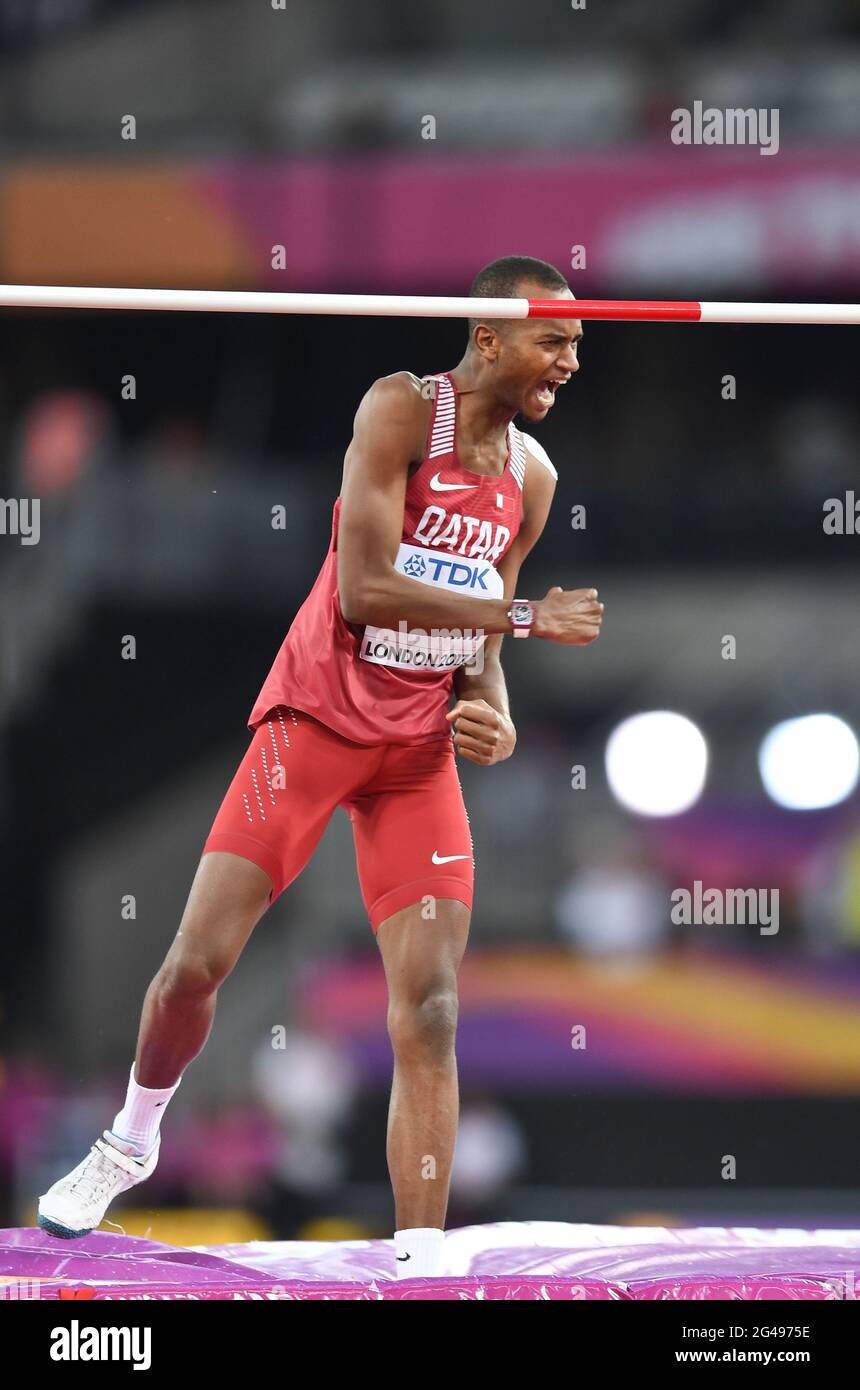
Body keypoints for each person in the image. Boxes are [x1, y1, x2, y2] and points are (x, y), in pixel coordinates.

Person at [37, 254, 603, 1277]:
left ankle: (420, 1259)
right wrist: (518, 611)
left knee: (428, 1008)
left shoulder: (532, 478)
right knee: (195, 964)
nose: (571, 359)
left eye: (575, 344)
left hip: (415, 755)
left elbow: (484, 650)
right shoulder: (398, 412)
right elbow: (367, 588)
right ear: (487, 339)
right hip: (315, 723)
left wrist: (495, 713)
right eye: (554, 340)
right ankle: (129, 1136)